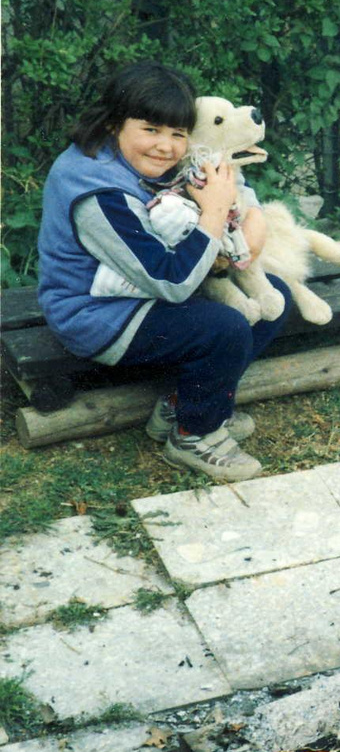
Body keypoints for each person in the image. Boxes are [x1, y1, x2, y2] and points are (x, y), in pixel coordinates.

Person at [36, 61, 291, 481]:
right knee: (224, 326)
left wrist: (254, 215)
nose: (166, 147)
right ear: (116, 122)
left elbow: (228, 175)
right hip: (97, 312)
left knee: (271, 300)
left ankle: (181, 404)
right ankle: (194, 436)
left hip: (140, 289)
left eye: (178, 134)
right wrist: (212, 213)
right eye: (151, 130)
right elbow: (171, 282)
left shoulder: (135, 157)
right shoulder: (95, 191)